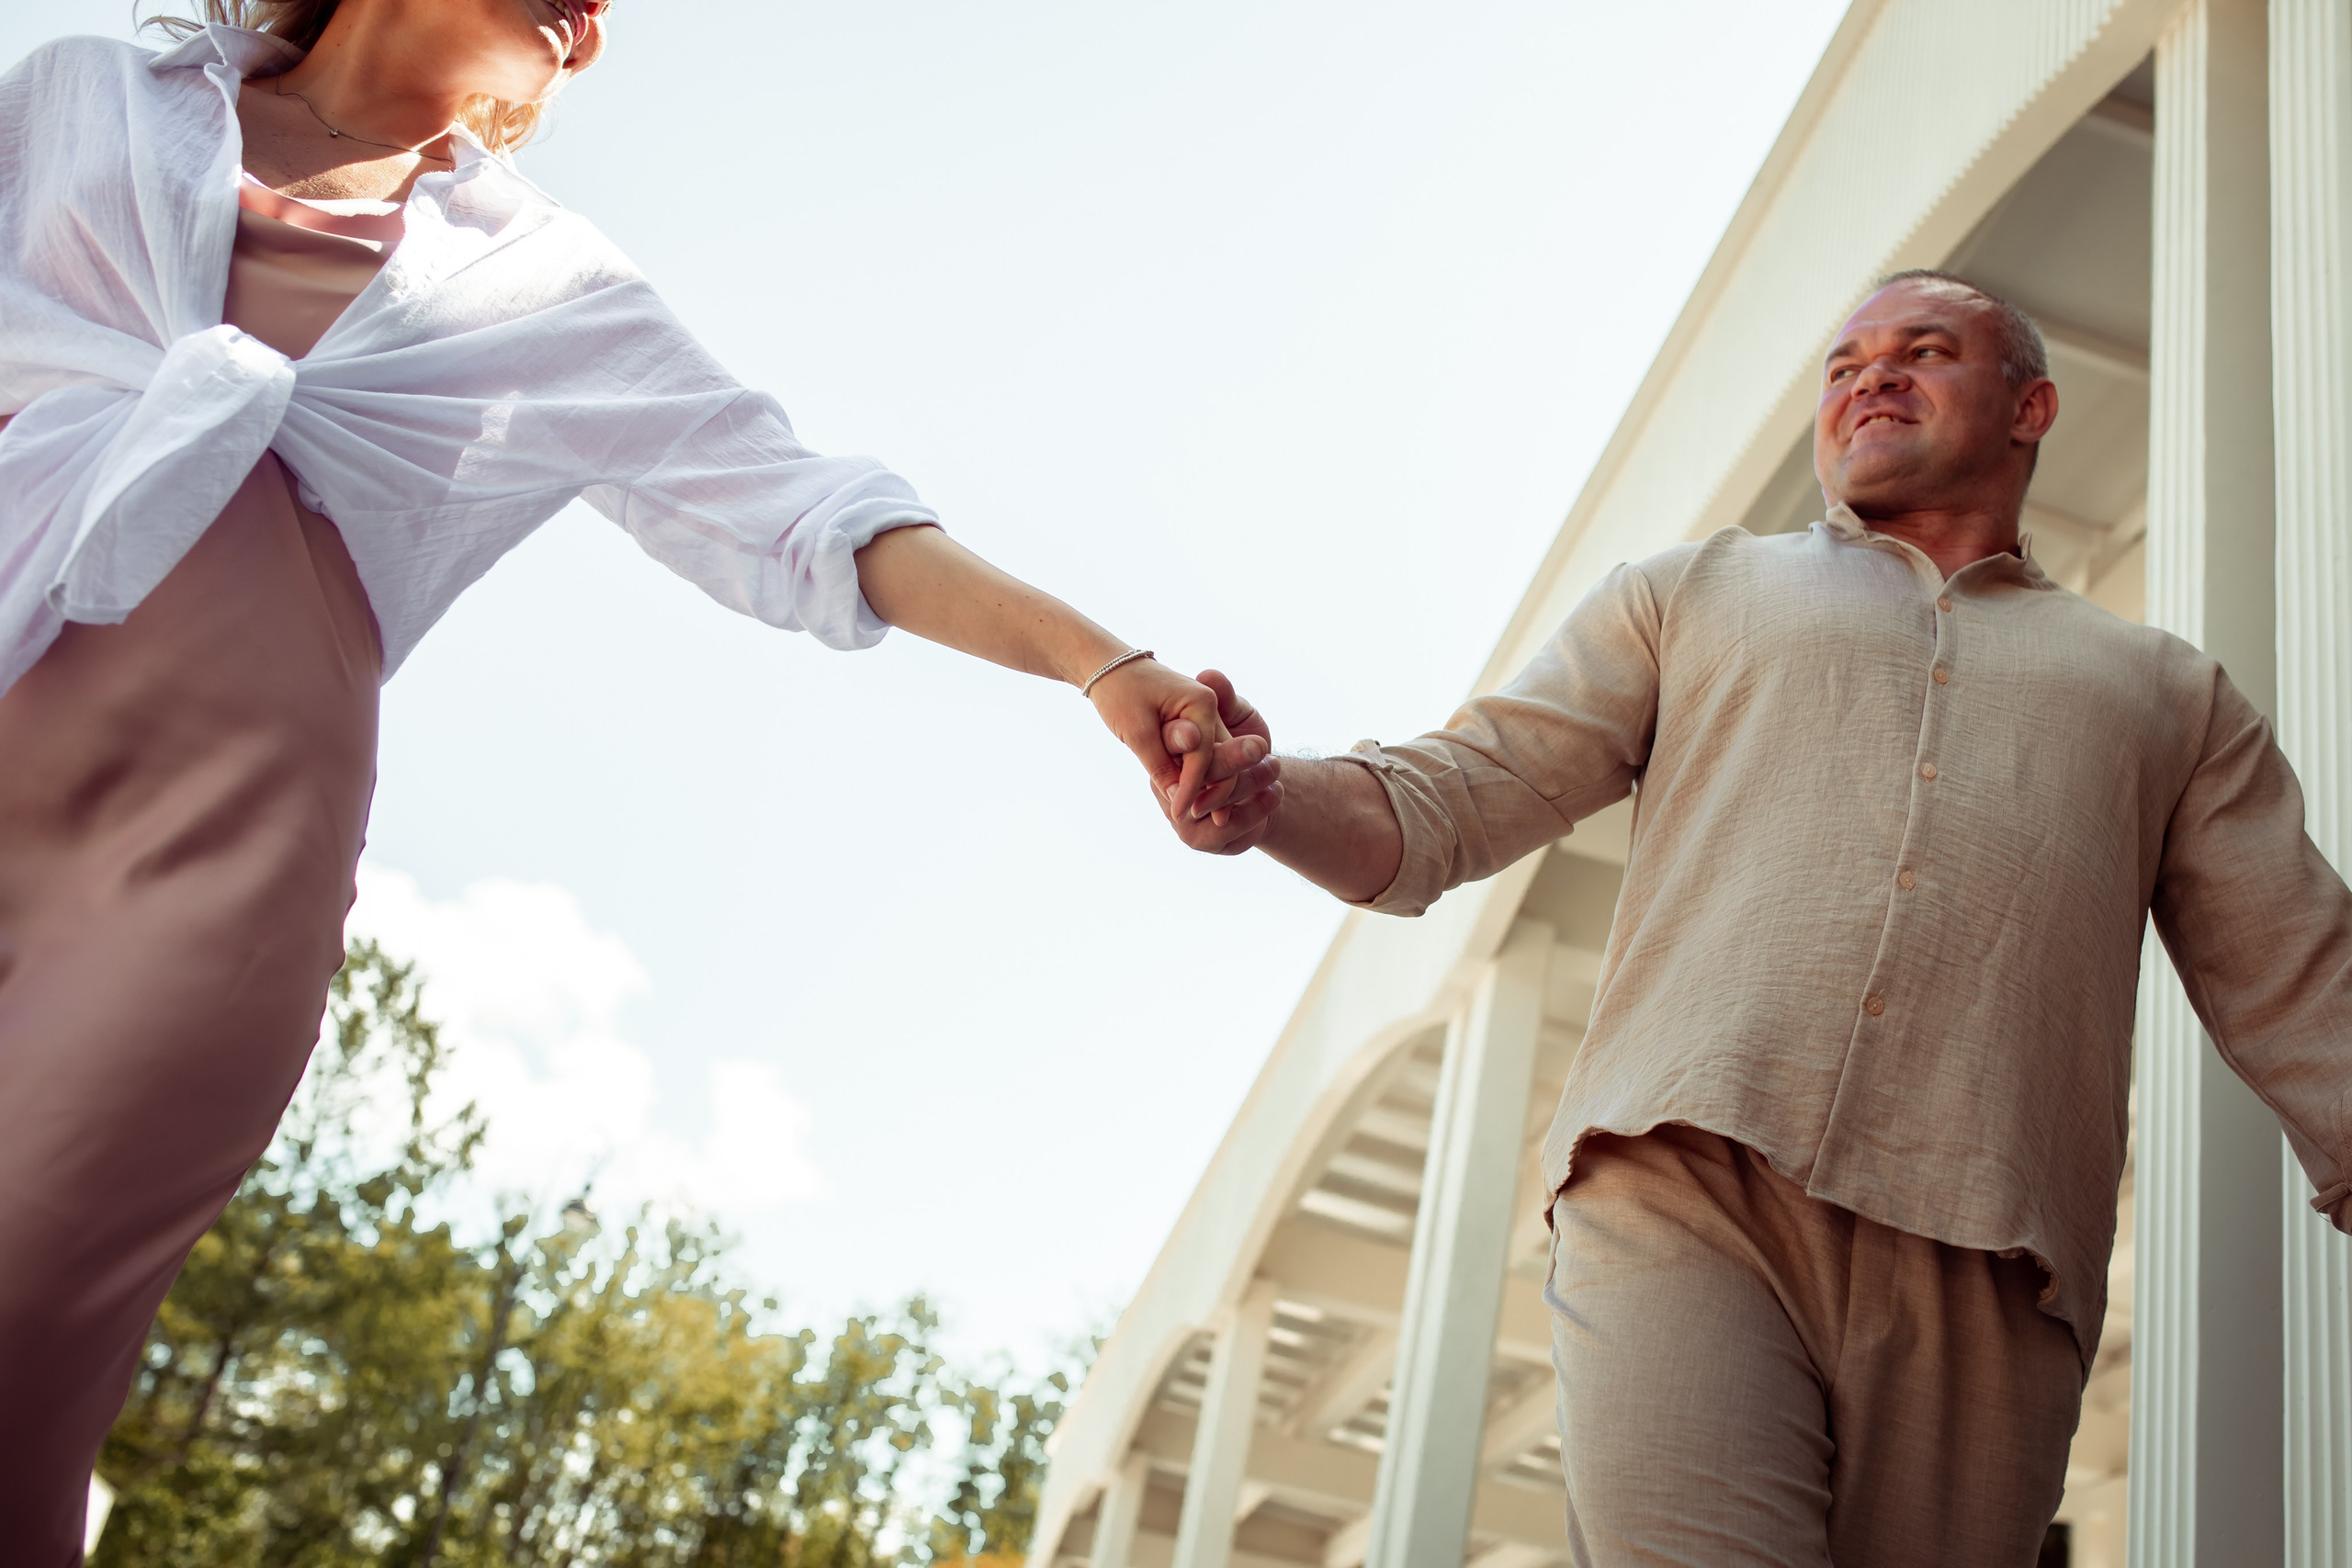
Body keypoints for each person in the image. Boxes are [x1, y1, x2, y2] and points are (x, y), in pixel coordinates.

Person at [0, 2, 1259, 1558]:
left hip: (210, 861)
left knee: (19, 1324)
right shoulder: (86, 97)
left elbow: (808, 512)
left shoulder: (542, 283)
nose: (595, 13)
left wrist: (1101, 662)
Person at [1169, 270, 2352, 1565]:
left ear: (2032, 406)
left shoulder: (2167, 696)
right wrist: (1266, 798)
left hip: (1994, 1262)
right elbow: (1456, 798)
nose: (1869, 379)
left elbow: (2300, 976)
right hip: (1687, 1190)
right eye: (1844, 365)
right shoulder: (1689, 595)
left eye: (1923, 351)